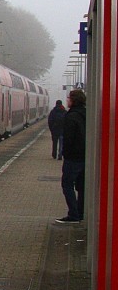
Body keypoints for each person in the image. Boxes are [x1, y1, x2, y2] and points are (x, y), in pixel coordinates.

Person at [56, 89, 86, 224]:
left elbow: (68, 138)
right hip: (86, 157)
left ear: (73, 100)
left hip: (73, 158)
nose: (67, 100)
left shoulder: (71, 116)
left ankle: (73, 215)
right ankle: (80, 213)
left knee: (67, 185)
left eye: (69, 98)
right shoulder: (87, 114)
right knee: (81, 186)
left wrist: (64, 154)